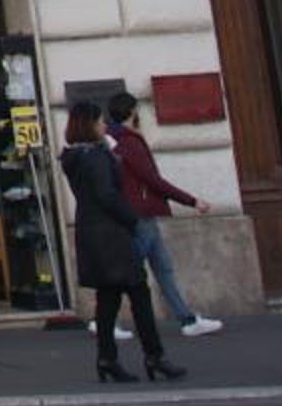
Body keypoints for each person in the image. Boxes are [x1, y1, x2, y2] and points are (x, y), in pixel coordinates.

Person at [62, 100, 181, 384]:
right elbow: (107, 195)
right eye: (100, 121)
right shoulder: (95, 157)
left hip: (92, 231)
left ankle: (108, 359)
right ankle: (154, 355)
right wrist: (131, 220)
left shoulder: (75, 158)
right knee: (139, 292)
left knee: (108, 297)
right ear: (90, 125)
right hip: (111, 234)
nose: (104, 125)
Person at [105, 91, 220, 337]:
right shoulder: (129, 142)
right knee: (129, 269)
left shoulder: (114, 140)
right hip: (141, 213)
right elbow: (153, 180)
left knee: (163, 267)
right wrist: (192, 201)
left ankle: (187, 319)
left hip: (139, 212)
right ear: (132, 111)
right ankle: (102, 320)